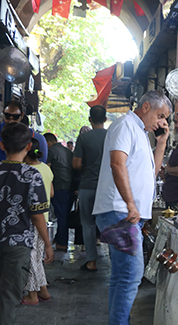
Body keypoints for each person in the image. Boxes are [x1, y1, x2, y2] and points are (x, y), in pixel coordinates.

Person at [93, 90, 171, 325]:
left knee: (122, 277)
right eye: (160, 115)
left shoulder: (139, 131)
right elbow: (117, 164)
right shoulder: (125, 125)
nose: (161, 122)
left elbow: (151, 173)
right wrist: (130, 203)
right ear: (145, 107)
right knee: (131, 275)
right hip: (120, 211)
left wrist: (161, 143)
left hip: (124, 212)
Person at [0, 122, 54, 325]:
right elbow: (38, 215)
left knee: (2, 288)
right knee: (9, 294)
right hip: (19, 243)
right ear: (27, 148)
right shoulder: (32, 176)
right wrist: (48, 244)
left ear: (2, 146)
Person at [72, 105, 108, 272]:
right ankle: (114, 261)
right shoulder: (111, 136)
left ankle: (91, 261)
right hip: (107, 188)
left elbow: (76, 164)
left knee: (88, 224)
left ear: (90, 119)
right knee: (108, 223)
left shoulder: (84, 138)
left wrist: (87, 166)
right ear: (105, 119)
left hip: (87, 186)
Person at [0, 99, 47, 178]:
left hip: (20, 178)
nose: (11, 121)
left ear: (22, 116)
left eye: (15, 117)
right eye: (7, 116)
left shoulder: (29, 134)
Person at [22, 143, 53, 305]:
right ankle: (43, 290)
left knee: (31, 257)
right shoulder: (46, 169)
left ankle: (32, 295)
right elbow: (52, 192)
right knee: (37, 257)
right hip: (45, 218)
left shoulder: (26, 171)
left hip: (32, 220)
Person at [44, 132, 75, 253]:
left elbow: (48, 168)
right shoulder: (67, 150)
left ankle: (62, 243)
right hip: (70, 186)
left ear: (47, 143)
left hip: (59, 186)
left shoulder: (51, 151)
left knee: (61, 216)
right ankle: (59, 238)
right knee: (64, 214)